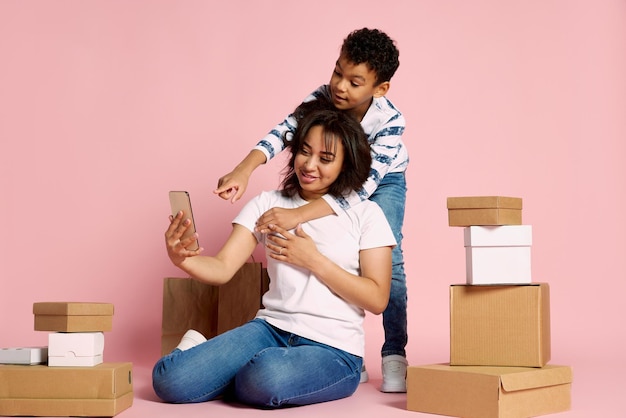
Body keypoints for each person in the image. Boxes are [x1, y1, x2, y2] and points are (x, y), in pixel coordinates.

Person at [153, 106, 396, 408]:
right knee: (170, 380)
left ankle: (242, 371)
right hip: (269, 330)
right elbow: (222, 267)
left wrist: (312, 259)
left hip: (333, 349)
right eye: (304, 152)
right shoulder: (269, 202)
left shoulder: (366, 214)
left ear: (347, 164)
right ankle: (210, 357)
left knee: (264, 377)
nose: (309, 165)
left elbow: (376, 298)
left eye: (326, 158)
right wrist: (182, 259)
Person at [214, 28, 409, 392]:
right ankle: (331, 348)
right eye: (338, 72)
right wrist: (245, 168)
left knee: (388, 262)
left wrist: (297, 215)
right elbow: (284, 131)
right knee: (330, 240)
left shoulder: (391, 122)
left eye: (355, 82)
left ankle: (394, 351)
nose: (340, 87)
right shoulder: (322, 97)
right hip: (333, 170)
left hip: (380, 180)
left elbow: (361, 191)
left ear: (379, 89)